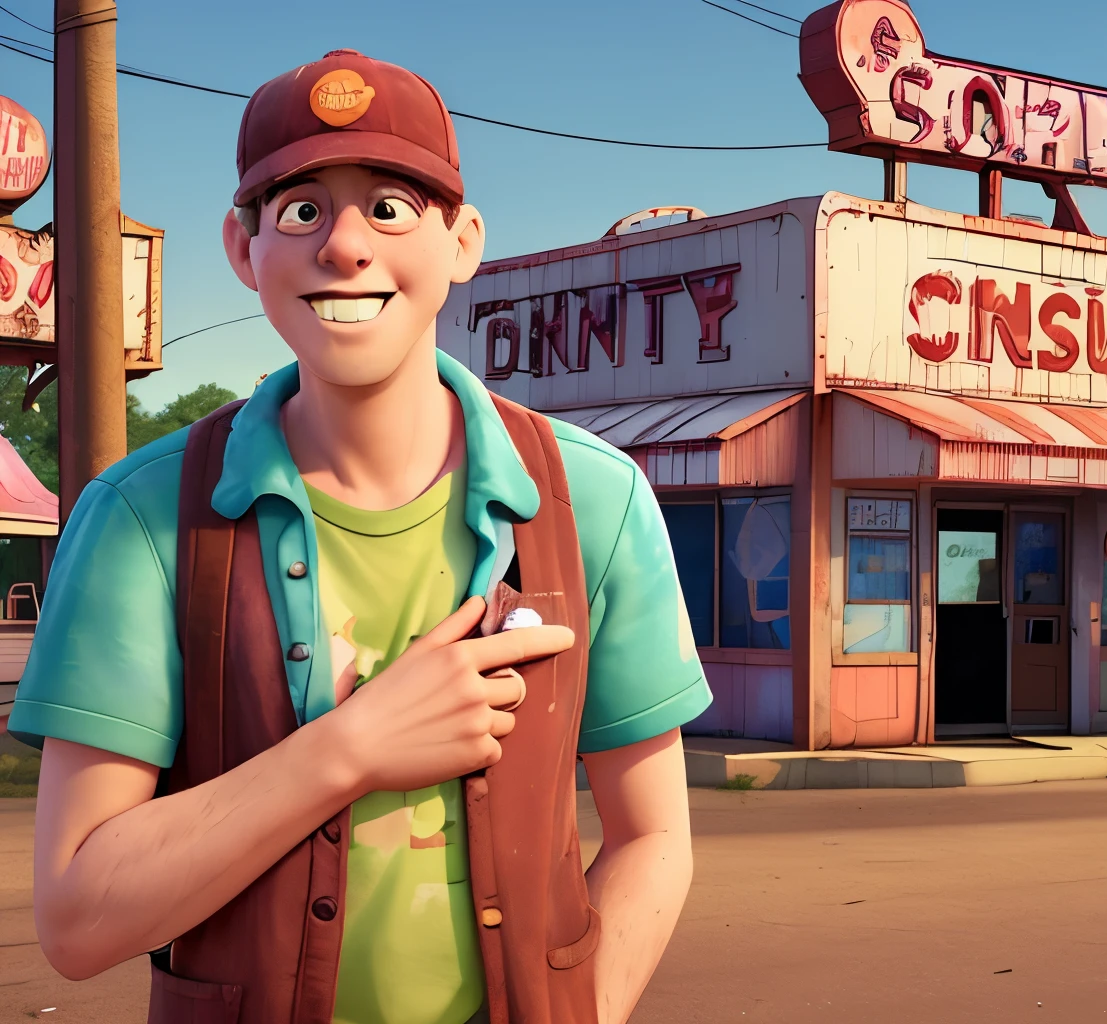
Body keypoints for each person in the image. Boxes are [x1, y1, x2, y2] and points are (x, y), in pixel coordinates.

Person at [9, 49, 710, 1024]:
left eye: (389, 206)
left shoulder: (595, 500)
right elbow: (79, 917)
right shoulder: (143, 517)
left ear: (462, 241)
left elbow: (652, 836)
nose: (344, 246)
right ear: (241, 246)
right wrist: (353, 746)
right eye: (300, 210)